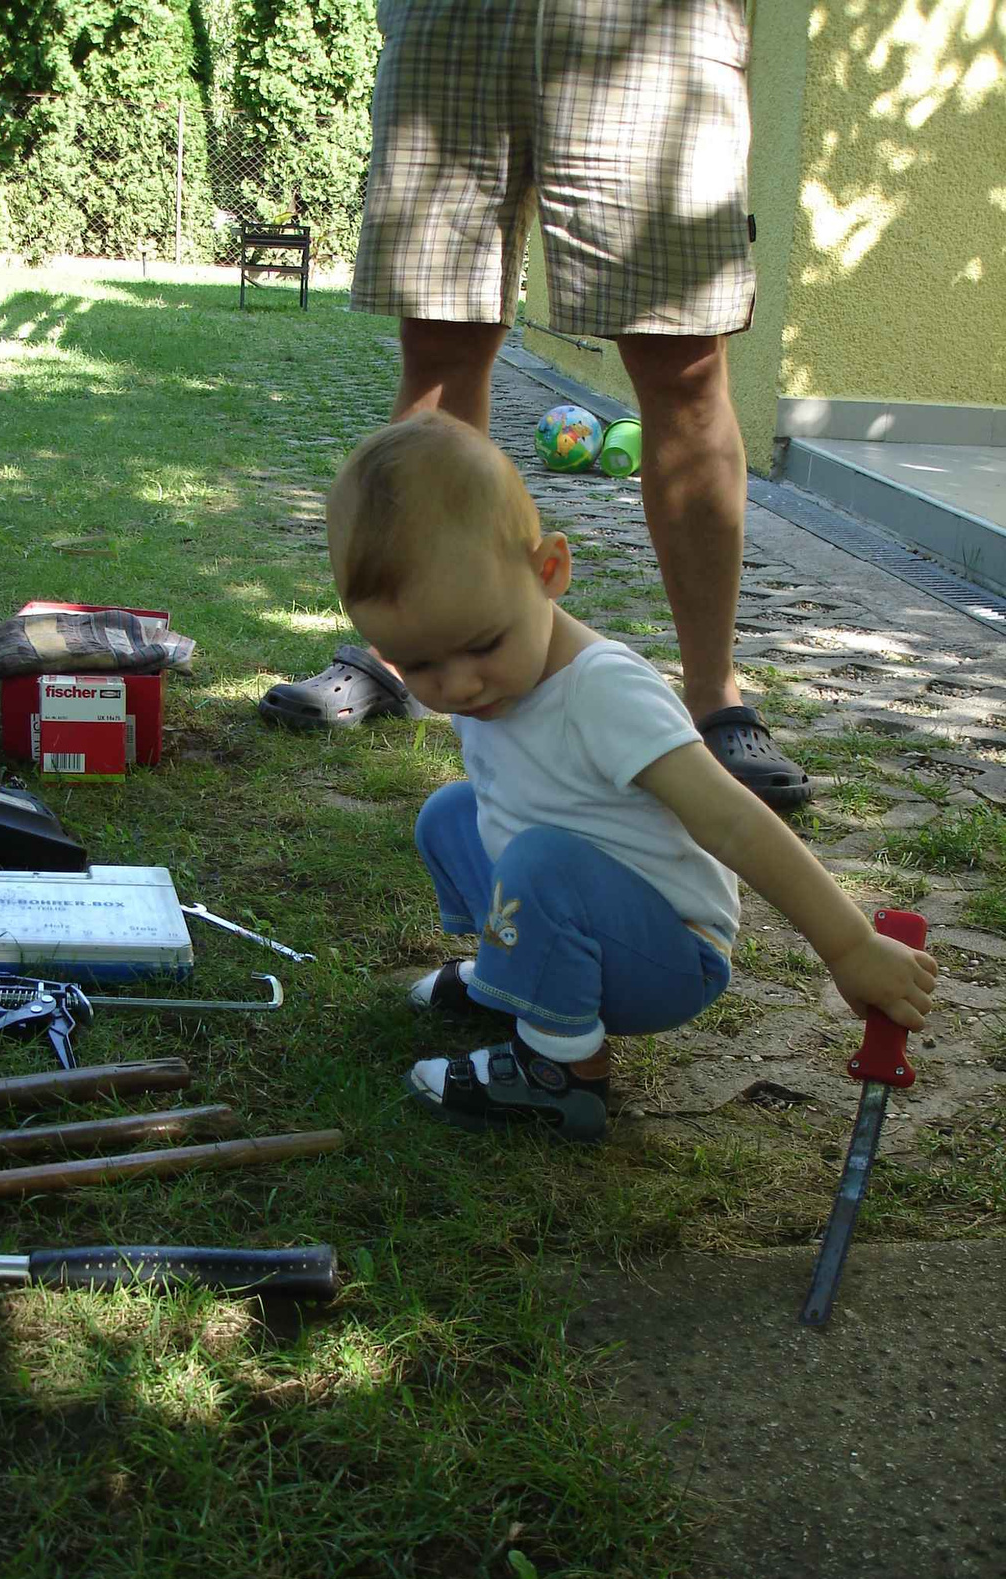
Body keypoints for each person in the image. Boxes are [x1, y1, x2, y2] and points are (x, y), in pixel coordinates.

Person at [259, 0, 812, 810]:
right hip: (456, 17)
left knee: (683, 360)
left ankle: (712, 695)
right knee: (440, 341)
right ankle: (405, 654)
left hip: (652, 23)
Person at [325, 413, 936, 1143]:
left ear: (548, 570)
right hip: (585, 904)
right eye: (418, 665)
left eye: (480, 645)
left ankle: (561, 1075)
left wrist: (851, 947)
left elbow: (734, 820)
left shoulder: (603, 692)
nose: (456, 685)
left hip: (670, 954)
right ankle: (514, 981)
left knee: (537, 862)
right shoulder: (492, 669)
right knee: (453, 814)